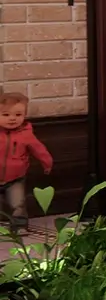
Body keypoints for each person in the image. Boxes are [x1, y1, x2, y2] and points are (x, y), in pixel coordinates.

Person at [0, 92, 53, 226]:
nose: (12, 118)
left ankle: (19, 225)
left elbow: (39, 150)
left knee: (18, 204)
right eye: (6, 115)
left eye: (18, 115)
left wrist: (47, 163)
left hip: (16, 178)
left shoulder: (26, 135)